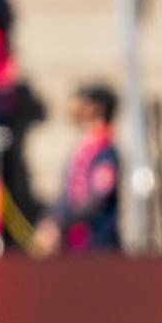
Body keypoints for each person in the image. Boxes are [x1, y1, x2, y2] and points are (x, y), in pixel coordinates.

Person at [35, 84, 121, 254]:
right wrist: (50, 219)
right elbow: (67, 193)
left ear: (97, 108)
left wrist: (61, 224)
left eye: (84, 102)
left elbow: (98, 198)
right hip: (75, 240)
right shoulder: (84, 147)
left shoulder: (105, 151)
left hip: (97, 240)